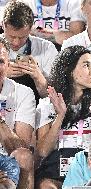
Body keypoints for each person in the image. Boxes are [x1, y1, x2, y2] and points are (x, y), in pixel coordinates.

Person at [35, 45, 91, 189]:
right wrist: (60, 116)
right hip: (55, 171)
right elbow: (43, 151)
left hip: (88, 170)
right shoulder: (47, 105)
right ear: (69, 70)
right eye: (86, 65)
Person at [2, 1, 58, 104]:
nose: (16, 42)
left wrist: (38, 76)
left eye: (22, 37)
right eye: (12, 36)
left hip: (35, 110)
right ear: (3, 26)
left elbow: (54, 100)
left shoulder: (46, 48)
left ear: (31, 28)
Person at [0, 37, 35, 189]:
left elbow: (21, 147)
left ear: (8, 64)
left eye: (0, 61)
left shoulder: (23, 93)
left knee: (24, 156)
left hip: (7, 159)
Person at [21, 0, 86, 49]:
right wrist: (57, 35)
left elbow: (76, 38)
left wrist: (37, 31)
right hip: (34, 54)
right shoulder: (24, 3)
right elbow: (20, 35)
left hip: (65, 56)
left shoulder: (74, 3)